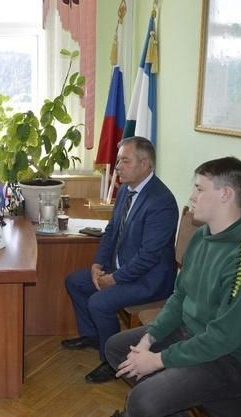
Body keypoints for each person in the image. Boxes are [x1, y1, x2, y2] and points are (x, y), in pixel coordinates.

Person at [105, 157, 241, 417]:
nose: (191, 196)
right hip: (193, 333)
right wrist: (149, 339)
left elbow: (223, 338)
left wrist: (157, 360)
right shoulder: (202, 235)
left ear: (225, 194)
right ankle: (169, 405)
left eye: (199, 188)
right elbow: (180, 296)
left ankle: (159, 400)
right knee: (117, 348)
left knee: (142, 401)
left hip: (239, 359)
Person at [62, 136, 178, 384]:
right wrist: (97, 264)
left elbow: (148, 257)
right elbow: (112, 230)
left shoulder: (162, 202)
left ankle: (112, 359)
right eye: (118, 161)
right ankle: (94, 335)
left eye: (125, 161)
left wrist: (113, 279)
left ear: (145, 164)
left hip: (150, 280)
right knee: (75, 282)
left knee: (99, 302)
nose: (117, 167)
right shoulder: (126, 189)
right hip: (121, 268)